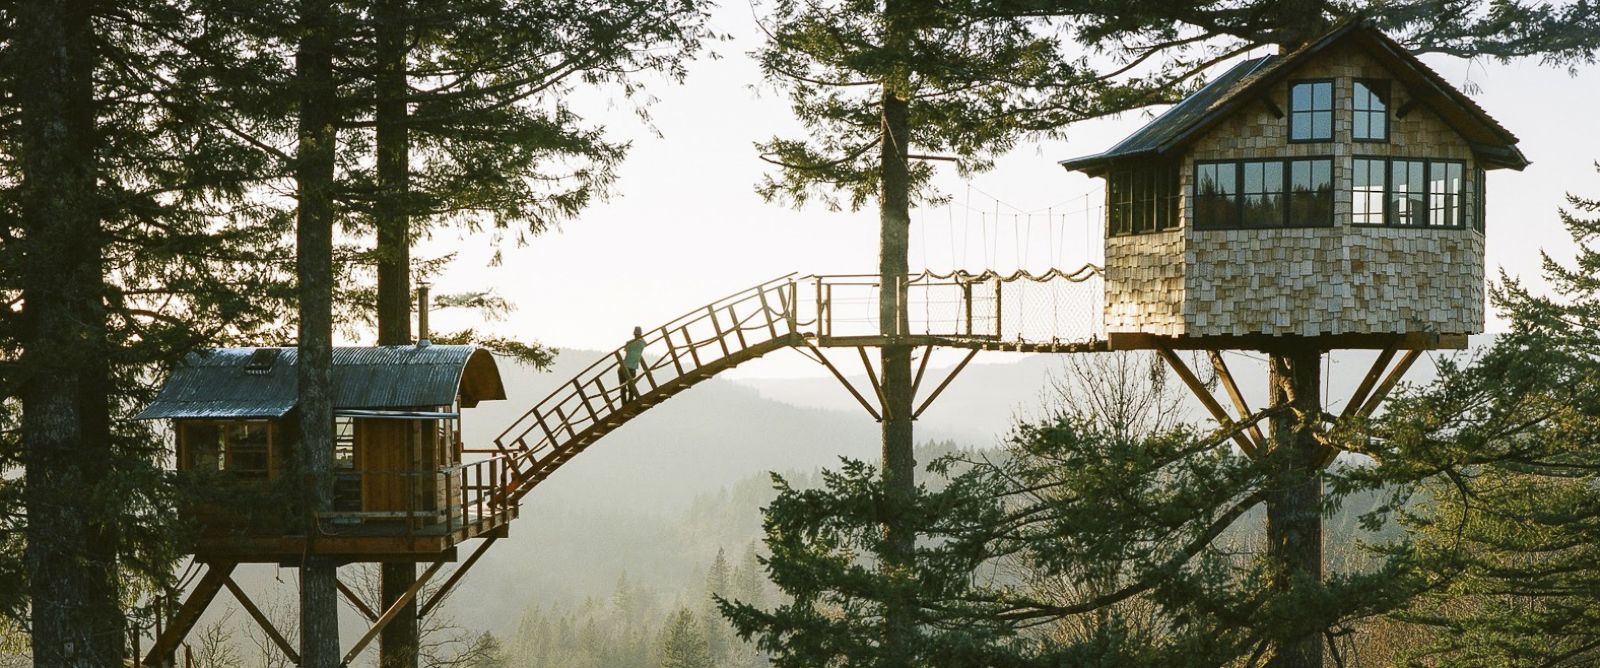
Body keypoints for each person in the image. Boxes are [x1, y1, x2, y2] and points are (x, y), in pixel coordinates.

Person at [619, 326, 646, 402]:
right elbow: (645, 343)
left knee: (624, 389)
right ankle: (628, 404)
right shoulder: (642, 343)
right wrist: (641, 337)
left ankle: (625, 406)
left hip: (624, 367)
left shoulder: (629, 343)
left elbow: (626, 349)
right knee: (631, 388)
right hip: (631, 368)